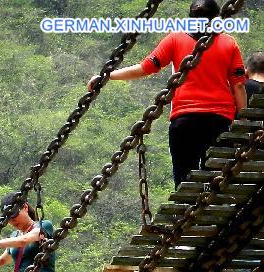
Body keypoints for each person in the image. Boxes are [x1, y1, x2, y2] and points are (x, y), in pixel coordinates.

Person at [88, 0, 246, 187]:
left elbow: (145, 68)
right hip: (219, 121)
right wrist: (243, 125)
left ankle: (185, 210)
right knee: (216, 178)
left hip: (184, 121)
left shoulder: (175, 39)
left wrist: (108, 76)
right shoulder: (229, 43)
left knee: (184, 177)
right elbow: (238, 87)